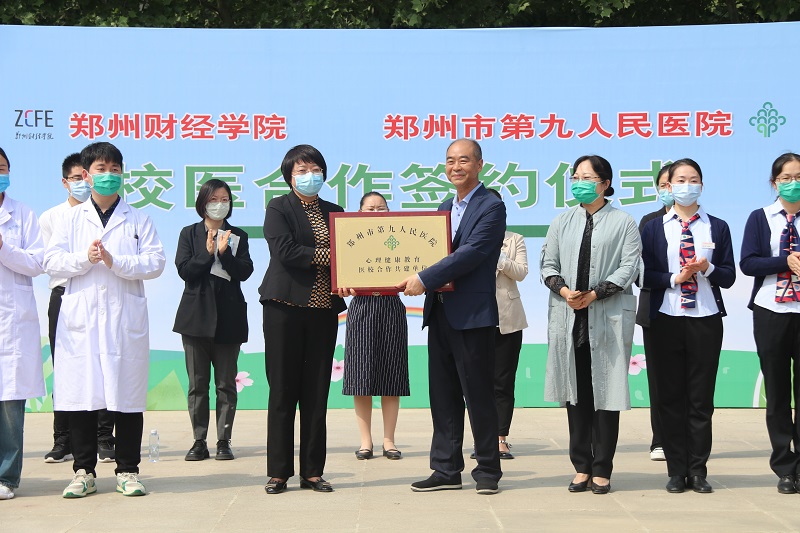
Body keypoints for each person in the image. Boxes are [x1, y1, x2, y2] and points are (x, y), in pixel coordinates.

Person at [44, 142, 166, 498]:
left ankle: (128, 470)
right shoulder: (69, 219)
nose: (109, 175)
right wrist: (85, 258)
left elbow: (155, 262)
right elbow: (51, 261)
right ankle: (83, 471)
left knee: (126, 397)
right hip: (81, 320)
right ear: (86, 175)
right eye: (101, 169)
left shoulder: (139, 219)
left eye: (115, 169)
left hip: (123, 320)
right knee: (83, 395)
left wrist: (116, 262)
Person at [398, 138, 506, 495]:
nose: (455, 167)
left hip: (472, 315)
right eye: (449, 161)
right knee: (443, 395)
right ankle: (445, 469)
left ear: (479, 164)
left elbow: (471, 253)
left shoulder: (492, 206)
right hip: (441, 312)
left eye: (463, 160)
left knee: (478, 395)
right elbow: (428, 252)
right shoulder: (444, 206)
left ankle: (487, 469)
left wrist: (424, 278)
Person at [541, 155, 640, 495]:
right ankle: (581, 466)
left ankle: (602, 469)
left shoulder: (624, 222)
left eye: (588, 178)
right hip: (570, 318)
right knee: (577, 395)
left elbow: (629, 267)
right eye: (576, 177)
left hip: (606, 316)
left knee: (606, 395)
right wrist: (565, 292)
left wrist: (595, 294)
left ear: (605, 183)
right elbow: (548, 265)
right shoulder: (561, 221)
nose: (580, 183)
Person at [641, 158, 735, 494]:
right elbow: (642, 275)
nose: (686, 185)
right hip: (665, 318)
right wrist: (674, 278)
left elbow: (729, 276)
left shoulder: (717, 226)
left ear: (702, 185)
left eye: (693, 179)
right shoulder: (653, 227)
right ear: (668, 186)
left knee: (700, 399)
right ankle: (675, 470)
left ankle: (697, 470)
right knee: (668, 397)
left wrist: (707, 269)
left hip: (705, 319)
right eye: (680, 180)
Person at [259, 145, 346, 495]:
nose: (310, 176)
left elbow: (351, 256)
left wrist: (349, 267)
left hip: (323, 310)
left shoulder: (335, 212)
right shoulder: (279, 207)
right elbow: (286, 251)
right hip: (284, 307)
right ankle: (279, 472)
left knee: (316, 393)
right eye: (302, 170)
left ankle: (312, 472)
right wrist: (333, 255)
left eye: (315, 169)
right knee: (283, 390)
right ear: (289, 176)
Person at [39, 153, 116, 464]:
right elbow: (50, 261)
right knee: (67, 370)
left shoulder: (111, 215)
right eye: (75, 178)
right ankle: (63, 438)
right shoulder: (53, 217)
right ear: (70, 181)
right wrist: (84, 259)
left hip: (103, 294)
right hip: (65, 294)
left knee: (105, 365)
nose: (82, 183)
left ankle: (104, 436)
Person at [173, 179, 253, 462]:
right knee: (197, 384)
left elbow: (245, 272)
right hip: (195, 319)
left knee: (225, 385)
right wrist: (207, 254)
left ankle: (223, 440)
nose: (219, 204)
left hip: (229, 319)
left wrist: (224, 254)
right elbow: (185, 271)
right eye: (213, 199)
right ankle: (199, 441)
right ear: (203, 203)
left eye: (224, 199)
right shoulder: (189, 233)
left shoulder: (238, 235)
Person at [740, 152, 800, 494]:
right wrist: (785, 261)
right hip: (771, 311)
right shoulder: (760, 218)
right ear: (774, 183)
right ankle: (785, 467)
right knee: (777, 392)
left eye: (799, 177)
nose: (793, 183)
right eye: (786, 178)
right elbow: (748, 263)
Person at [340, 192, 410, 461]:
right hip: (362, 307)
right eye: (370, 209)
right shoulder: (349, 240)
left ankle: (389, 440)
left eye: (382, 208)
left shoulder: (400, 238)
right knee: (361, 377)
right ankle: (365, 442)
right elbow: (341, 273)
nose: (376, 213)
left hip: (392, 306)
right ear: (359, 213)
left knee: (392, 376)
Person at [0, 147, 46, 500]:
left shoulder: (23, 214)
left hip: (11, 323)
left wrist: (4, 248)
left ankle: (6, 477)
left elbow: (37, 262)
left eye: (2, 168)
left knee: (10, 407)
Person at [634, 163, 672, 463]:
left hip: (698, 312)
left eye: (679, 182)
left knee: (691, 382)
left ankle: (690, 440)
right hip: (657, 311)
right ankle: (660, 439)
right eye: (665, 184)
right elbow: (639, 273)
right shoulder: (649, 222)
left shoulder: (707, 224)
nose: (671, 189)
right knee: (660, 379)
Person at [488, 187, 528, 460]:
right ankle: (483, 438)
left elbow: (522, 272)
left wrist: (499, 255)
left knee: (503, 381)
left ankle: (500, 438)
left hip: (508, 319)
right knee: (478, 383)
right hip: (475, 318)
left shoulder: (514, 239)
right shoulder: (465, 238)